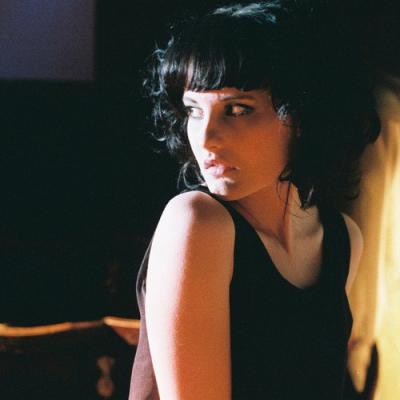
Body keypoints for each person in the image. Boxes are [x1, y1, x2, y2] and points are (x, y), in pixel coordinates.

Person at [129, 2, 379, 399]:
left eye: (237, 110)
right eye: (194, 110)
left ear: (303, 116)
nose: (206, 138)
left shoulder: (342, 239)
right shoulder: (197, 222)